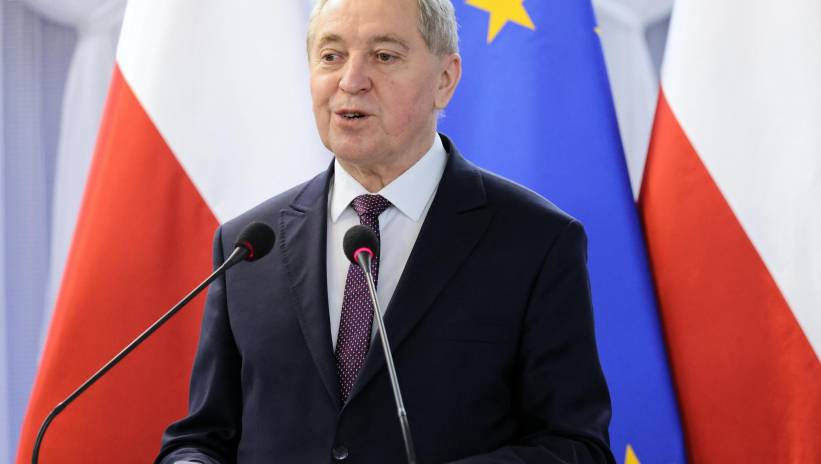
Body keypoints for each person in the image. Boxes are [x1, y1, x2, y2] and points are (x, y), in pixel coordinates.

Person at [156, 0, 614, 462]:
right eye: (331, 56)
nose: (351, 80)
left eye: (384, 56)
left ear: (445, 79)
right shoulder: (250, 246)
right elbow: (203, 438)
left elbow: (575, 447)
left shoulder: (535, 241)